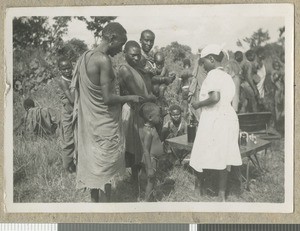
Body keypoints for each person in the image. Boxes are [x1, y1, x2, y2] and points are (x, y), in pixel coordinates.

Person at [71, 22, 141, 202]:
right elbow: (108, 98)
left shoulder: (85, 57)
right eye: (121, 43)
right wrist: (130, 98)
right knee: (105, 169)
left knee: (94, 165)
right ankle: (106, 206)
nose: (121, 49)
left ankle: (95, 202)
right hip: (104, 123)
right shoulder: (103, 60)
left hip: (90, 123)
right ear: (112, 38)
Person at [190, 44, 242, 202]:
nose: (202, 65)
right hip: (227, 117)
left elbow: (215, 98)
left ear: (211, 59)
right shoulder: (227, 76)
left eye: (203, 61)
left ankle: (199, 189)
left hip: (214, 118)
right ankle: (221, 194)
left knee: (200, 151)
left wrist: (198, 104)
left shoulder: (212, 75)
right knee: (224, 155)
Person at [118, 40, 156, 190]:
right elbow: (138, 94)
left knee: (140, 145)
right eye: (133, 55)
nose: (136, 58)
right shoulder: (125, 70)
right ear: (125, 53)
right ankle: (135, 180)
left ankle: (139, 178)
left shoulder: (137, 69)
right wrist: (151, 97)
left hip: (140, 110)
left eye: (138, 55)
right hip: (131, 110)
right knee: (133, 146)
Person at [138, 102, 164, 201]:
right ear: (150, 117)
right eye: (158, 115)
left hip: (151, 159)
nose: (160, 117)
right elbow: (146, 150)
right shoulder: (148, 132)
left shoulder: (150, 128)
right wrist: (149, 168)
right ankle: (147, 202)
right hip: (151, 160)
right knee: (151, 182)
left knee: (150, 181)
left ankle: (150, 198)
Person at [57, 57, 76, 174]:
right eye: (64, 69)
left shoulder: (73, 78)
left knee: (78, 138)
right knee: (68, 141)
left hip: (75, 111)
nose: (67, 71)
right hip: (68, 114)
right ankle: (67, 168)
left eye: (69, 68)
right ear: (60, 70)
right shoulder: (63, 81)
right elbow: (72, 100)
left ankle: (75, 164)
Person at [188, 56, 206, 123]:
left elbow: (194, 77)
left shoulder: (200, 61)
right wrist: (191, 91)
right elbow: (195, 77)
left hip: (204, 91)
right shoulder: (198, 61)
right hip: (200, 91)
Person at [271, 59, 284, 132]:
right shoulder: (274, 72)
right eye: (275, 65)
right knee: (278, 107)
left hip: (281, 91)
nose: (277, 66)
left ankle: (280, 123)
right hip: (277, 91)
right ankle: (278, 124)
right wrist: (279, 75)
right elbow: (274, 80)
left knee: (281, 107)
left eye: (278, 65)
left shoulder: (280, 71)